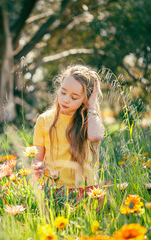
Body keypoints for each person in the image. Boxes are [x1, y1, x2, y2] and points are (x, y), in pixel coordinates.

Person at [32, 65, 105, 198]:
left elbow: (95, 136)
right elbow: (37, 159)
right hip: (55, 189)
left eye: (74, 97)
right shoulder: (44, 120)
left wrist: (92, 105)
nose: (66, 99)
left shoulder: (88, 118)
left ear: (85, 99)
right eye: (63, 92)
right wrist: (38, 166)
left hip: (85, 189)